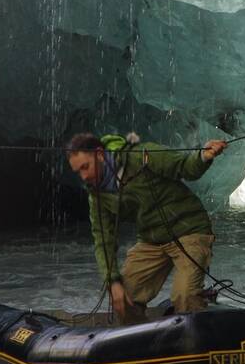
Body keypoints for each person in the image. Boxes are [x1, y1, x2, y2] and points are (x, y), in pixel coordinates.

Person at [66, 131, 228, 323]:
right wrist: (113, 282)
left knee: (185, 297)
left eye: (86, 167)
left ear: (100, 154)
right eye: (78, 172)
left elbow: (184, 167)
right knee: (123, 298)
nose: (84, 176)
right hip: (151, 240)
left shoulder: (140, 155)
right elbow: (103, 240)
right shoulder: (96, 195)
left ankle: (197, 341)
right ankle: (143, 344)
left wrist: (203, 156)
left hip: (189, 230)